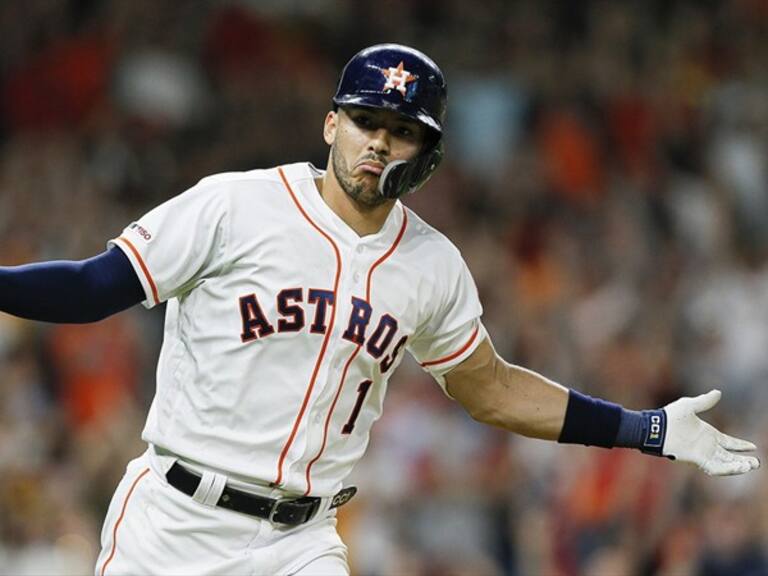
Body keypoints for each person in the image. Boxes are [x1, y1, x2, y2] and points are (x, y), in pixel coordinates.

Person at [0, 44, 760, 576]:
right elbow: (97, 286)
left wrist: (646, 429)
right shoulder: (235, 205)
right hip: (175, 521)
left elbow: (491, 391)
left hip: (304, 542)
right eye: (367, 122)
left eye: (402, 133)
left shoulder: (433, 266)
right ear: (332, 123)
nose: (379, 144)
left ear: (426, 156)